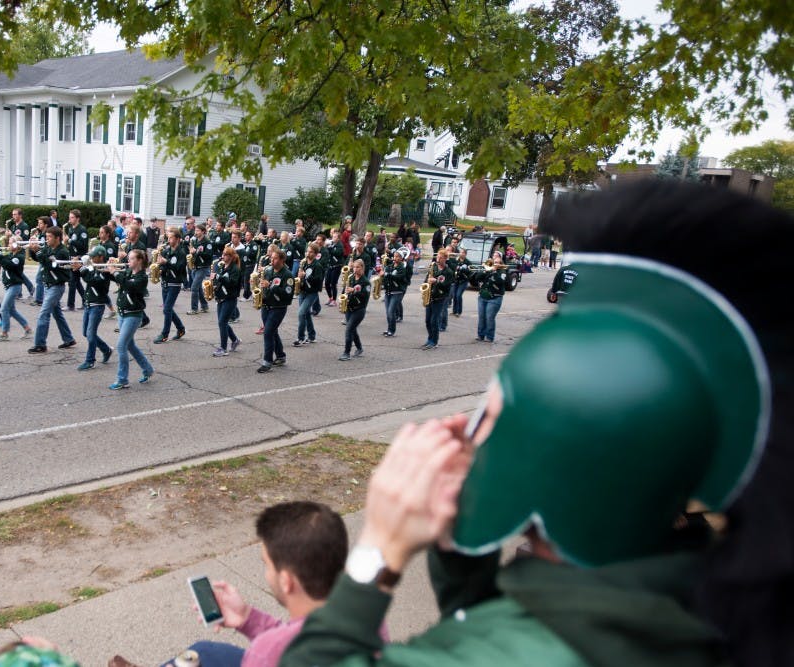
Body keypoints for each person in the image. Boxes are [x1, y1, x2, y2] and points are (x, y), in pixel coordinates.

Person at [283, 180, 792, 667]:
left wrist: (381, 545)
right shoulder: (689, 599)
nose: (475, 428)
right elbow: (487, 629)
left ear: (544, 446)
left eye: (495, 413)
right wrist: (462, 541)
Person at [162, 502, 349, 667]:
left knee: (200, 654)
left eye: (267, 565)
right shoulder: (367, 620)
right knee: (205, 650)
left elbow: (278, 649)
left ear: (286, 581)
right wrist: (247, 618)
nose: (267, 574)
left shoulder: (266, 653)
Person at [108, 249, 154, 390]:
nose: (129, 261)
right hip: (122, 313)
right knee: (130, 345)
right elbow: (117, 279)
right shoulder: (128, 272)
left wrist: (115, 272)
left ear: (139, 260)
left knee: (121, 346)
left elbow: (130, 285)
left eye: (132, 258)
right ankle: (147, 369)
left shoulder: (142, 277)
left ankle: (123, 380)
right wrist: (108, 270)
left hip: (133, 315)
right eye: (129, 258)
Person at [27, 226, 76, 354]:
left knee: (44, 313)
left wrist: (38, 252)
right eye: (46, 237)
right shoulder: (49, 248)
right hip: (48, 285)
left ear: (57, 238)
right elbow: (40, 258)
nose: (46, 239)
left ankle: (40, 344)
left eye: (49, 237)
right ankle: (69, 339)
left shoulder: (62, 252)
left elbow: (49, 264)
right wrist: (33, 250)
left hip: (56, 286)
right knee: (57, 314)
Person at [256, 246, 294, 373]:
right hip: (266, 305)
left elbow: (287, 294)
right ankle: (281, 355)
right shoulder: (268, 270)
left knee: (268, 332)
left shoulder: (287, 275)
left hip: (278, 307)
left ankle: (267, 362)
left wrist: (271, 286)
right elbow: (264, 286)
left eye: (275, 258)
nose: (272, 261)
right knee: (273, 332)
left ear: (282, 260)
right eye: (271, 258)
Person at [0, 237, 33, 341]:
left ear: (16, 245)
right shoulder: (11, 255)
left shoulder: (19, 257)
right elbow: (3, 260)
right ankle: (27, 329)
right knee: (12, 310)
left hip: (15, 285)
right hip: (9, 285)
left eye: (11, 243)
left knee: (3, 309)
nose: (9, 245)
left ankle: (4, 333)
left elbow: (9, 265)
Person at [210, 245, 242, 357]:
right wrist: (214, 285)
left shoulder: (235, 269)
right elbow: (221, 281)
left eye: (225, 254)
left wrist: (218, 277)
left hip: (230, 299)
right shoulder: (223, 266)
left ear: (231, 257)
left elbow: (232, 283)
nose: (222, 256)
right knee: (222, 322)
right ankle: (235, 340)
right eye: (223, 254)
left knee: (222, 322)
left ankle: (223, 348)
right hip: (221, 298)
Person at [293, 242, 323, 346]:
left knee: (301, 313)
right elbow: (300, 276)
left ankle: (301, 338)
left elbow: (318, 281)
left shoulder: (317, 266)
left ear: (315, 254)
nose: (307, 253)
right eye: (307, 251)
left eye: (310, 252)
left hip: (312, 293)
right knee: (306, 314)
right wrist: (299, 277)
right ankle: (312, 336)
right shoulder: (303, 263)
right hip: (302, 291)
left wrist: (306, 276)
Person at [421, 248, 452, 350]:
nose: (438, 259)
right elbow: (427, 279)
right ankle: (430, 339)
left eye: (441, 257)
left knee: (434, 321)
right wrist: (426, 283)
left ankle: (434, 342)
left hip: (440, 298)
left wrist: (436, 282)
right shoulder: (433, 267)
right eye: (438, 256)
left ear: (445, 259)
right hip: (430, 296)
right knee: (427, 320)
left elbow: (446, 286)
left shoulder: (448, 272)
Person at [339, 258, 369, 361]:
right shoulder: (351, 278)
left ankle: (346, 353)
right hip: (349, 307)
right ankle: (359, 348)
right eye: (354, 267)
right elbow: (346, 290)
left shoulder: (365, 282)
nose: (355, 269)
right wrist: (343, 297)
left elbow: (365, 295)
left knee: (349, 329)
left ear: (362, 268)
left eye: (358, 267)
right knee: (352, 329)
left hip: (359, 309)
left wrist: (354, 291)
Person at [476, 252, 506, 343]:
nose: (495, 263)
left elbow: (500, 282)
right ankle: (480, 335)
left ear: (501, 262)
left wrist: (495, 271)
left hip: (494, 298)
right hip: (482, 296)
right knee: (482, 317)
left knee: (489, 317)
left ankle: (489, 336)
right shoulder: (488, 268)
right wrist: (486, 270)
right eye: (494, 260)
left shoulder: (502, 272)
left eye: (497, 262)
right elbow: (477, 277)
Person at [63, 209, 89, 310]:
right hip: (72, 257)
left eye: (72, 217)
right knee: (76, 282)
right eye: (69, 217)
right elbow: (71, 244)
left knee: (72, 281)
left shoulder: (82, 230)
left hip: (79, 257)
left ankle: (70, 305)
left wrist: (69, 240)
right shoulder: (70, 229)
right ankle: (85, 300)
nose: (70, 219)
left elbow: (82, 245)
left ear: (77, 218)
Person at [380, 248, 409, 338]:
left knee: (390, 311)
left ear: (401, 258)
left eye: (398, 256)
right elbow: (385, 278)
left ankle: (392, 330)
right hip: (388, 291)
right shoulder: (389, 266)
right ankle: (389, 329)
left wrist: (386, 274)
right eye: (395, 256)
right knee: (388, 312)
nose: (395, 258)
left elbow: (398, 277)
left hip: (397, 292)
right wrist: (381, 281)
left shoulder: (402, 268)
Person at [188, 223, 213, 314]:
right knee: (198, 288)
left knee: (194, 288)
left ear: (203, 232)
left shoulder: (207, 242)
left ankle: (194, 309)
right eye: (195, 230)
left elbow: (209, 255)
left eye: (198, 231)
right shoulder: (195, 241)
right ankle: (204, 306)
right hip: (195, 267)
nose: (196, 232)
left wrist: (197, 252)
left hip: (203, 267)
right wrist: (192, 253)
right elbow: (194, 253)